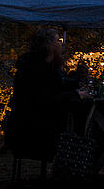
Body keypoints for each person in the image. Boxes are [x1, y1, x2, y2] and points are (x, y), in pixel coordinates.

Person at [6, 29, 90, 164]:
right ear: (48, 45)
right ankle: (78, 164)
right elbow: (44, 99)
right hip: (34, 127)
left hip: (34, 121)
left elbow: (58, 85)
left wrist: (77, 83)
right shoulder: (36, 69)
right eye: (58, 40)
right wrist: (75, 94)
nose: (61, 44)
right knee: (83, 123)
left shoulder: (47, 66)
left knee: (83, 118)